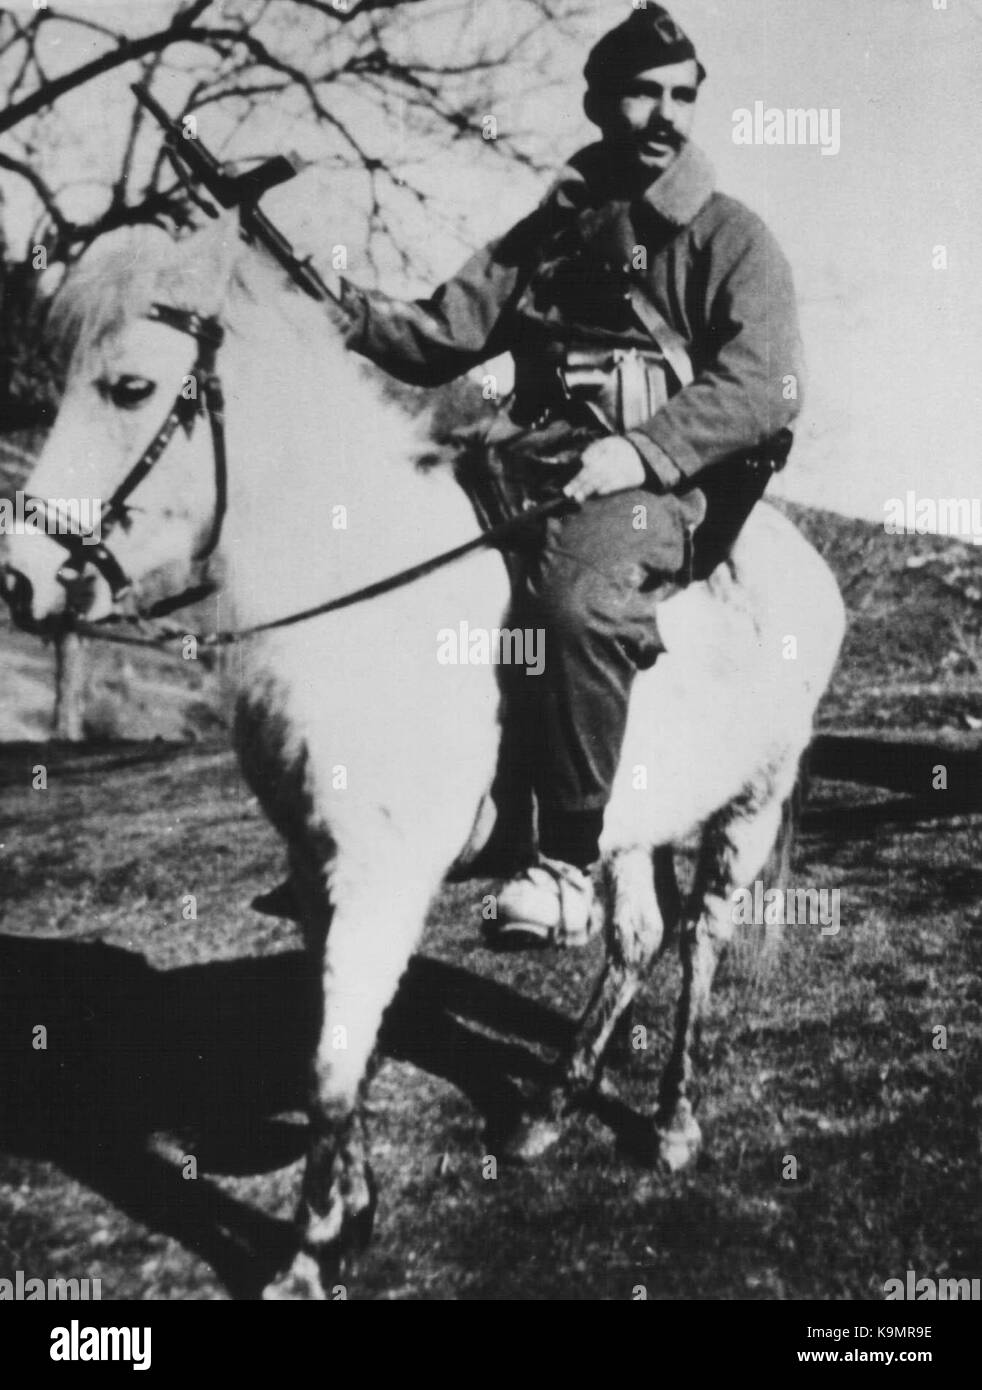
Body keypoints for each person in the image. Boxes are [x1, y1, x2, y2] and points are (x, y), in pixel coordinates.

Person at [326, 4, 804, 947]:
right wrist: (333, 303)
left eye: (682, 96)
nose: (666, 115)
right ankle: (427, 819)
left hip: (664, 486)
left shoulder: (730, 238)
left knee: (578, 605)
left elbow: (768, 383)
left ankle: (566, 866)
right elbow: (442, 335)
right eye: (642, 93)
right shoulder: (551, 228)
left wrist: (643, 449)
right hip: (528, 464)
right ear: (598, 103)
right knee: (403, 559)